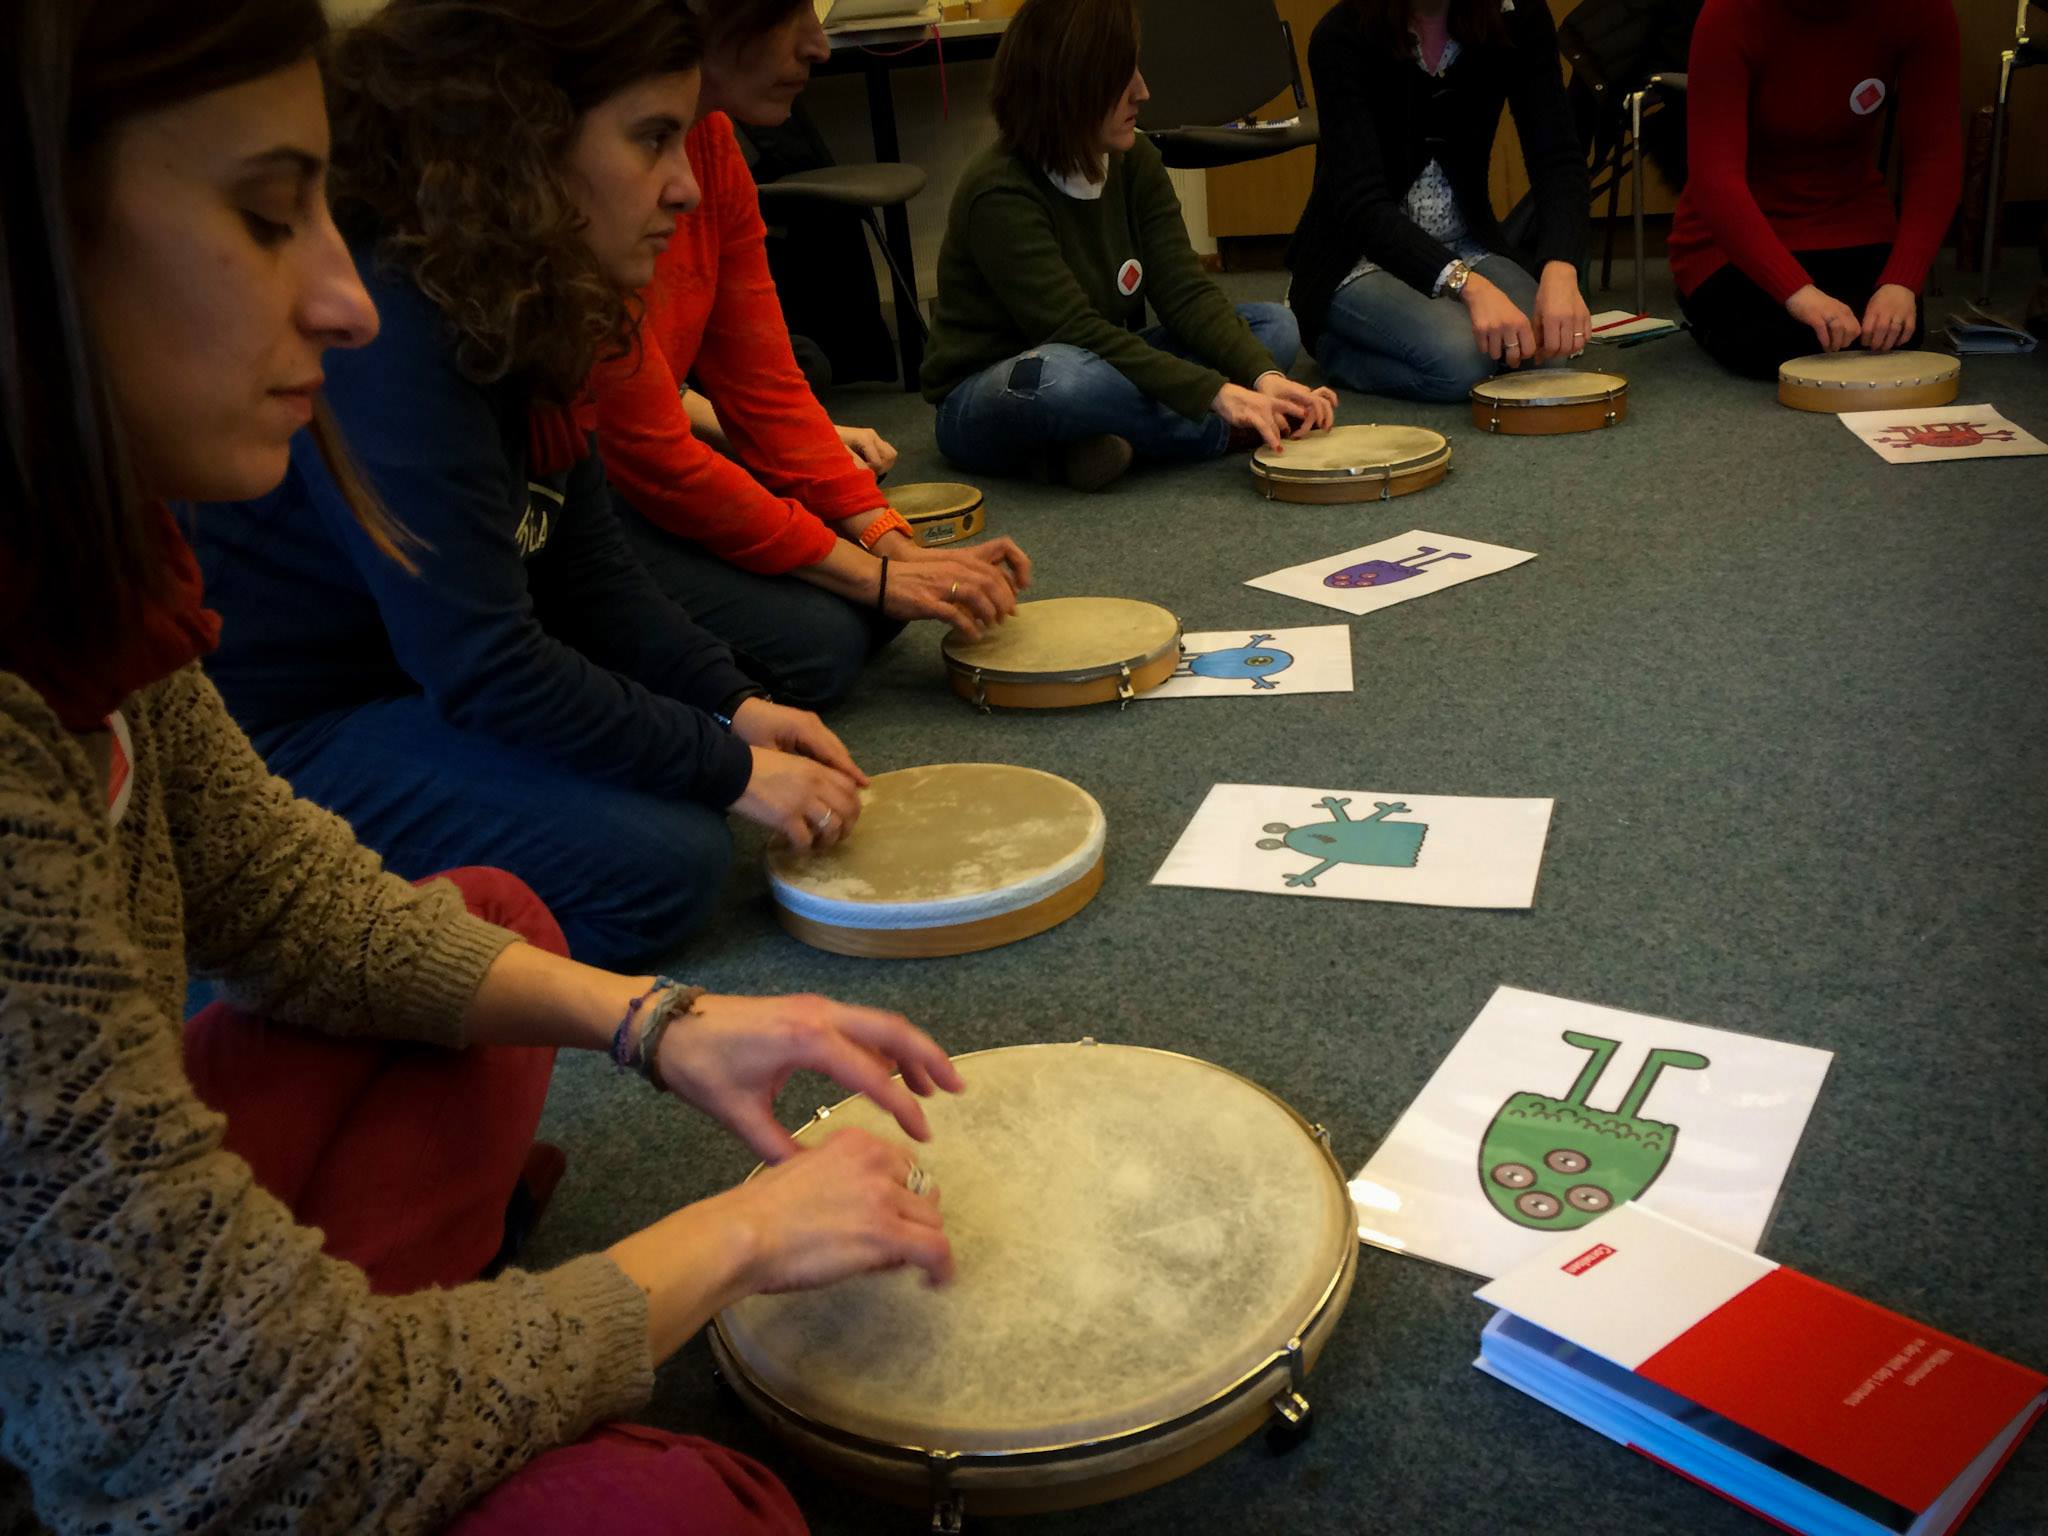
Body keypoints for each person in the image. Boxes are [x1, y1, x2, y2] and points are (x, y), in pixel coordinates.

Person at [0, 1, 962, 1530]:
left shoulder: (97, 593)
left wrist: (662, 1023)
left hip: (167, 1356)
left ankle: (405, 1348)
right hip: (170, 1427)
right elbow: (223, 1436)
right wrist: (727, 1243)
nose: (340, 296)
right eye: (265, 218)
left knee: (503, 925)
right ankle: (413, 1361)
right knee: (690, 1512)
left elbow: (290, 899)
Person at [194, 0, 868, 968]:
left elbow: (588, 573)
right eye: (651, 140)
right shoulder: (395, 325)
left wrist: (734, 706)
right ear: (529, 145)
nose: (684, 187)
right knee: (668, 862)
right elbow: (485, 665)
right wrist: (725, 765)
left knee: (703, 774)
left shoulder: (525, 292)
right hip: (294, 730)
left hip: (409, 681)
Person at [591, 0, 1034, 709]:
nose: (819, 45)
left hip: (641, 459)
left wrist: (893, 546)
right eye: (787, 11)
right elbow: (649, 453)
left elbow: (765, 385)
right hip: (583, 495)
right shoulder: (592, 175)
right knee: (820, 646)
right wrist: (876, 578)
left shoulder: (714, 146)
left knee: (865, 600)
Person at [920, 0, 1338, 494]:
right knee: (1066, 380)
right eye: (1123, 77)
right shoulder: (1000, 191)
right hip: (998, 390)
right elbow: (1074, 332)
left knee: (1274, 330)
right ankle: (1218, 434)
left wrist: (1263, 377)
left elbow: (1185, 292)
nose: (1143, 91)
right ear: (1071, 86)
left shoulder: (1134, 158)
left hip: (1102, 359)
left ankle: (1084, 449)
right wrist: (1218, 397)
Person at [1287, 0, 1593, 403]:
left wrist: (1560, 267)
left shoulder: (1518, 15)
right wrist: (1470, 288)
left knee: (1545, 351)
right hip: (1355, 257)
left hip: (1466, 243)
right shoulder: (1341, 34)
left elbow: (1557, 156)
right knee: (1460, 362)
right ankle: (1335, 349)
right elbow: (1362, 207)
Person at [1670, 0, 1961, 377]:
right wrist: (1797, 293)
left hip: (1851, 219)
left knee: (1889, 335)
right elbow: (1716, 180)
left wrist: (1902, 281)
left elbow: (1935, 156)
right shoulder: (1728, 13)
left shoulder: (1923, 11)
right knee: (1779, 345)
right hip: (1731, 237)